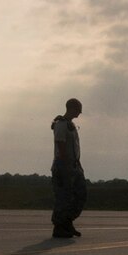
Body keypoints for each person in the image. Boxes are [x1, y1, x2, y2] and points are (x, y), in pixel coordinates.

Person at [50, 98, 86, 239]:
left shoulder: (70, 125)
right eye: (77, 110)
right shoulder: (61, 124)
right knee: (63, 197)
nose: (79, 114)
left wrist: (76, 165)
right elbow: (60, 144)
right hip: (63, 165)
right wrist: (66, 165)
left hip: (74, 165)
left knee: (80, 195)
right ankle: (59, 227)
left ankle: (67, 222)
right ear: (71, 108)